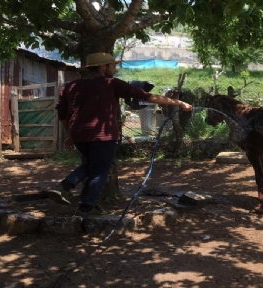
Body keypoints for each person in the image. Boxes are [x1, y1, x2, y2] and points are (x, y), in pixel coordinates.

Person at [43, 52, 193, 216]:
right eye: (113, 66)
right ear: (102, 67)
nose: (115, 70)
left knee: (94, 165)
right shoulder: (111, 83)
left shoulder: (70, 87)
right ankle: (82, 205)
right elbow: (148, 97)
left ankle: (71, 194)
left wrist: (70, 135)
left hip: (79, 136)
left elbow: (62, 114)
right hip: (102, 135)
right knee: (100, 169)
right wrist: (179, 103)